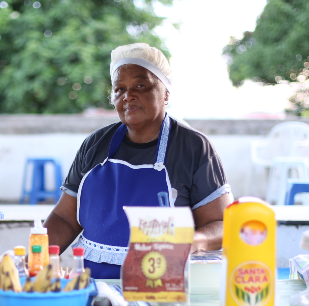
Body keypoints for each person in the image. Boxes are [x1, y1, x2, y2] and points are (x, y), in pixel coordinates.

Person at [44, 43, 232, 279]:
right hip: (93, 287)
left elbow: (224, 225)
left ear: (165, 93)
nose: (128, 96)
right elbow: (64, 219)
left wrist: (193, 240)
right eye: (119, 89)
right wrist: (33, 259)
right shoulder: (95, 145)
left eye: (140, 85)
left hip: (161, 291)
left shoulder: (193, 148)